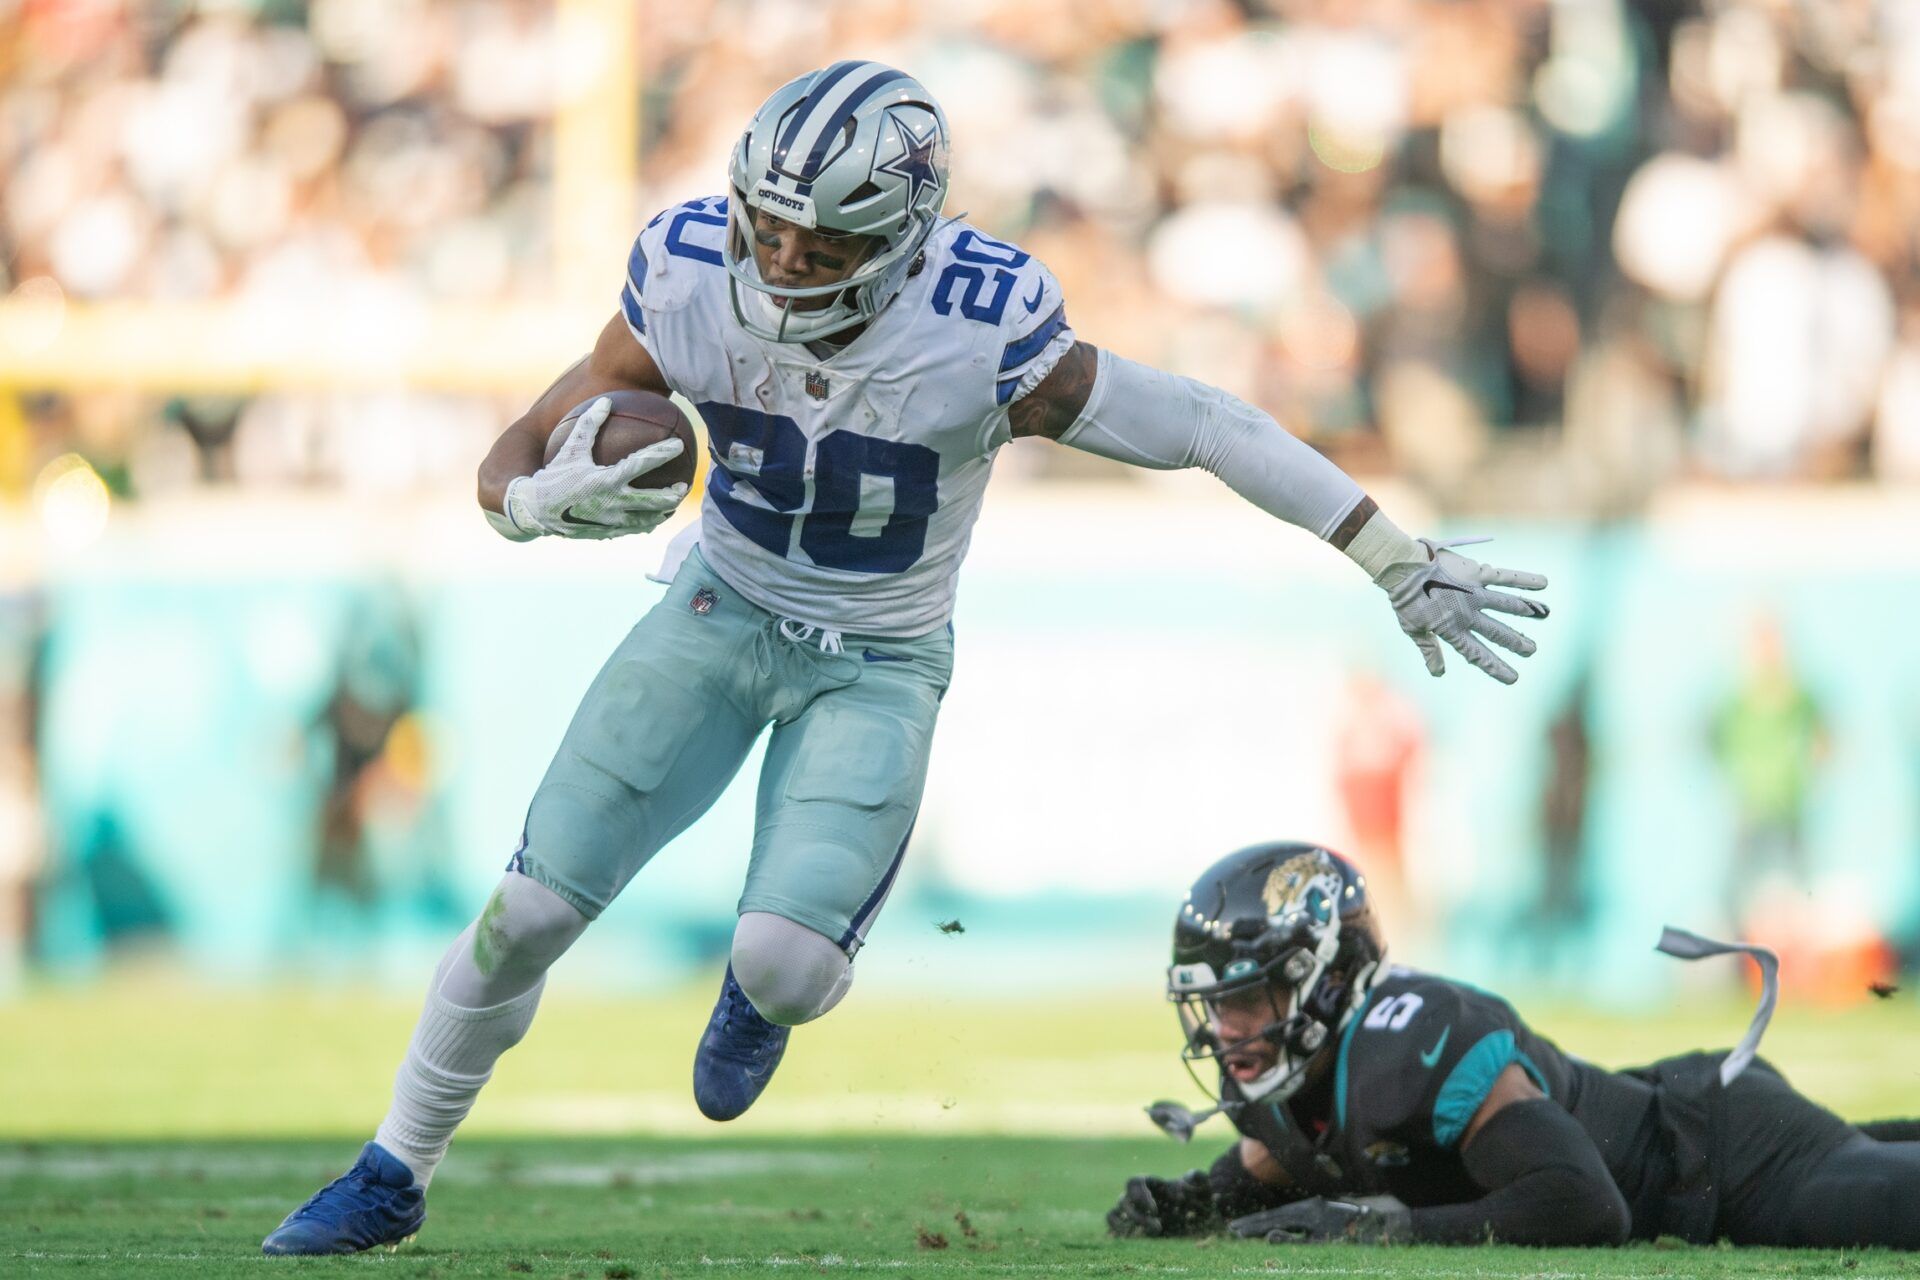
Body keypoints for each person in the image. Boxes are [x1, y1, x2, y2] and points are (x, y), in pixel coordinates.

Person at [261, 62, 1550, 1255]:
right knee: (529, 907)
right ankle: (392, 1167)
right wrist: (533, 503)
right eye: (766, 227)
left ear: (899, 245)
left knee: (786, 964)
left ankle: (758, 997)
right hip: (716, 612)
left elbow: (1204, 422)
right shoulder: (688, 271)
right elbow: (517, 451)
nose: (779, 260)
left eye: (818, 244)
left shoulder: (979, 331)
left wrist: (1389, 554)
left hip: (874, 660)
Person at [1108, 842, 1920, 1249]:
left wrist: (1382, 1225)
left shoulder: (1412, 1044)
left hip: (1728, 1161)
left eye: (1249, 997)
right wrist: (1189, 1201)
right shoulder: (1311, 1087)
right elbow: (1288, 1163)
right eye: (1217, 1003)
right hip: (1683, 1117)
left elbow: (1581, 1201)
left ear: (1324, 978)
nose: (1227, 1029)